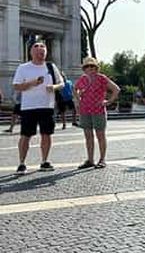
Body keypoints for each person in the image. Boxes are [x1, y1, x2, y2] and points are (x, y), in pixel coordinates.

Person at [11, 41, 64, 175]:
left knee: (46, 134)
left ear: (46, 52)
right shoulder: (23, 68)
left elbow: (61, 83)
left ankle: (45, 161)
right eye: (36, 47)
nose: (40, 49)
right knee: (25, 135)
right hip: (29, 107)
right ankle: (22, 163)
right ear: (31, 52)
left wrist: (54, 87)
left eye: (43, 47)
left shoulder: (51, 66)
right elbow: (16, 86)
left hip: (47, 106)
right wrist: (32, 83)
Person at [74, 56, 120, 169]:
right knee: (88, 136)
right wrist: (78, 100)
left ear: (96, 67)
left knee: (100, 135)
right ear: (84, 68)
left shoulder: (101, 78)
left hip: (98, 110)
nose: (90, 68)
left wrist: (108, 102)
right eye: (87, 66)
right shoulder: (82, 79)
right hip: (85, 110)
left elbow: (116, 89)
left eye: (92, 66)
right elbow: (74, 89)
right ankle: (90, 160)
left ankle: (102, 159)